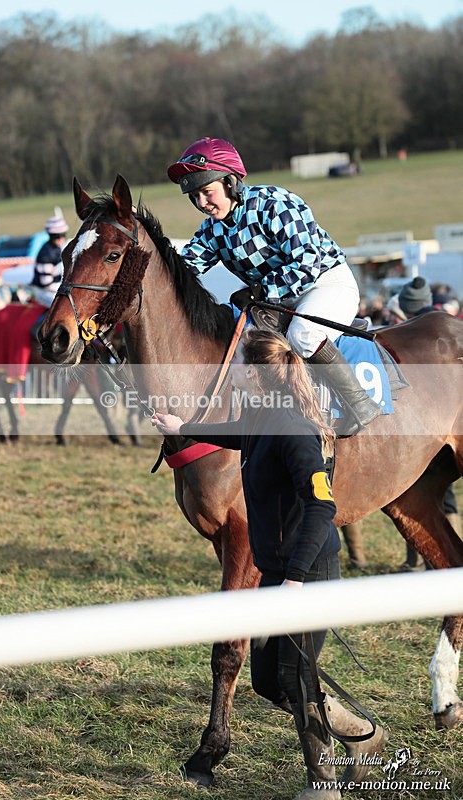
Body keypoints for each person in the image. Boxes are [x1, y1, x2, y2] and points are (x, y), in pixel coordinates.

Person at [152, 327, 386, 799]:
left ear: (259, 376)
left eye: (239, 364)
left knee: (295, 680)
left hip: (307, 572)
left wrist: (296, 579)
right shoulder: (262, 417)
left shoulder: (295, 429)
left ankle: (321, 787)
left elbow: (322, 506)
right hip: (279, 570)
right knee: (268, 682)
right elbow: (235, 435)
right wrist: (182, 428)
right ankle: (363, 735)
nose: (231, 369)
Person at [167, 137, 381, 436]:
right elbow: (183, 268)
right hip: (276, 301)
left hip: (325, 284)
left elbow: (308, 260)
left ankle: (360, 405)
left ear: (230, 182)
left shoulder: (274, 203)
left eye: (206, 191)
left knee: (304, 335)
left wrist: (260, 291)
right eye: (194, 196)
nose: (202, 203)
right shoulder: (212, 230)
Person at [395, 277, 462, 568]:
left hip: (426, 425)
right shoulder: (426, 322)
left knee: (437, 498)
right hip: (429, 424)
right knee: (434, 498)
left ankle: (417, 561)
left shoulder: (416, 331)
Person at [30, 213, 69, 309]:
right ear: (50, 236)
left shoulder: (58, 248)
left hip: (53, 288)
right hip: (43, 292)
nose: (60, 238)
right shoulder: (46, 254)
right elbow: (46, 283)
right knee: (62, 307)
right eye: (56, 236)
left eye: (62, 235)